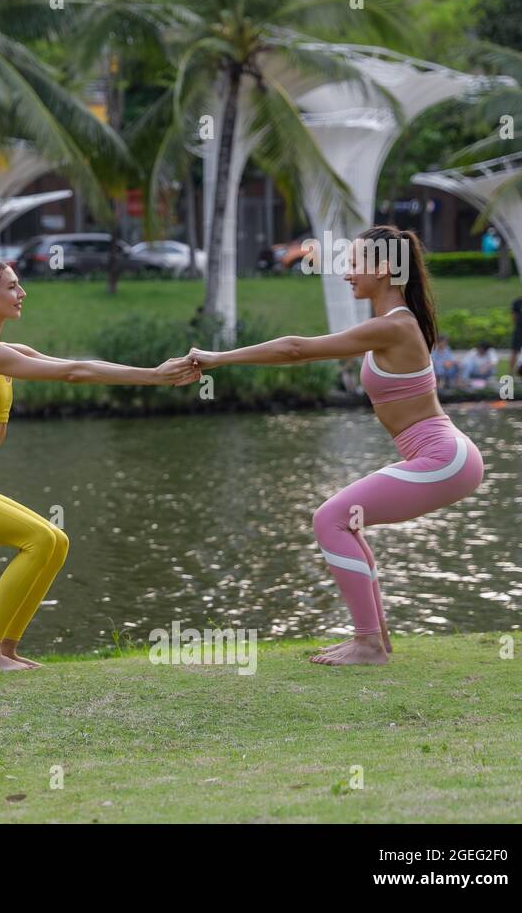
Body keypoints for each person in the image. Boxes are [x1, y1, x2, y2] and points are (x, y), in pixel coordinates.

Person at [186, 226, 484, 666]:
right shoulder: (393, 323)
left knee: (331, 518)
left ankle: (367, 644)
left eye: (356, 261)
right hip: (445, 457)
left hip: (444, 459)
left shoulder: (395, 326)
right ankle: (375, 638)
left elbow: (296, 350)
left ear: (384, 268)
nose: (347, 272)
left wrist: (217, 358)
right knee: (346, 520)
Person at [0, 258, 200, 673]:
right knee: (38, 540)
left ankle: (5, 650)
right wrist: (153, 376)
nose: (22, 294)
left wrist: (153, 375)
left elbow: (76, 364)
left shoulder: (4, 351)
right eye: (12, 287)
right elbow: (73, 374)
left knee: (55, 540)